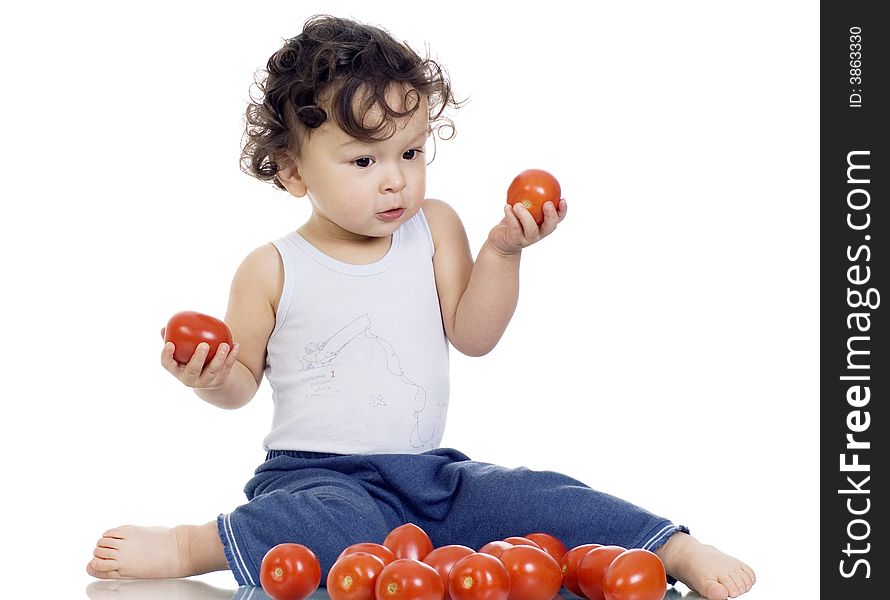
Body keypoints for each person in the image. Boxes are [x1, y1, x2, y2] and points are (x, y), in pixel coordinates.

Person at [87, 15, 755, 600]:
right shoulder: (272, 267)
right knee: (340, 530)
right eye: (362, 160)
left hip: (429, 476)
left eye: (410, 152)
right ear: (293, 171)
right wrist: (210, 375)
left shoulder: (432, 227)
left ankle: (669, 548)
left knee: (532, 494)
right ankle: (193, 546)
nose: (395, 178)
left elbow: (473, 334)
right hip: (316, 478)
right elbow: (240, 384)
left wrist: (503, 252)